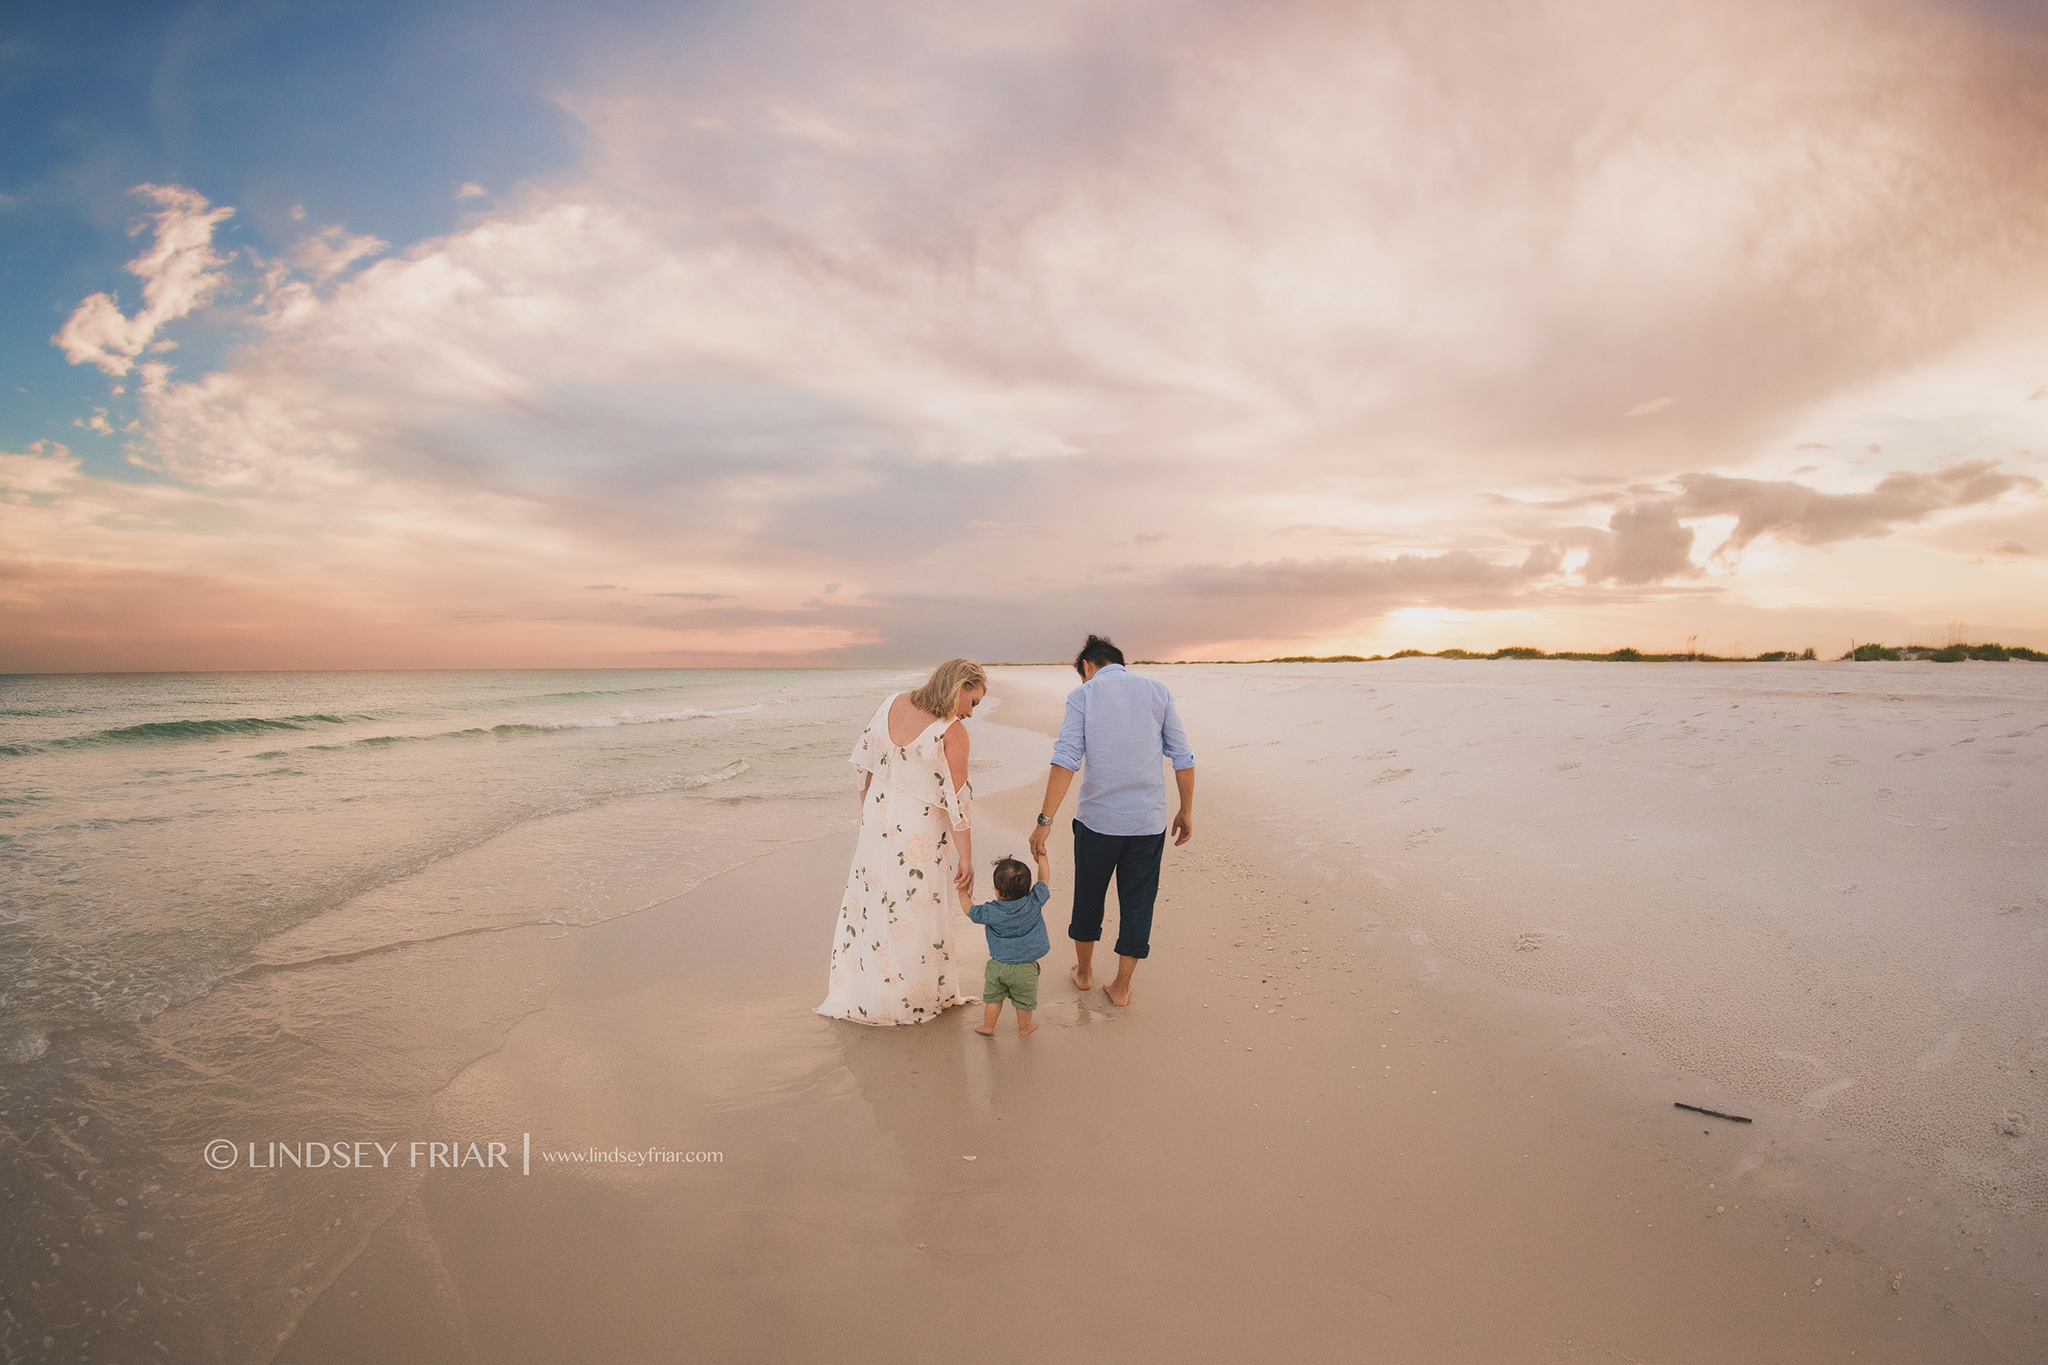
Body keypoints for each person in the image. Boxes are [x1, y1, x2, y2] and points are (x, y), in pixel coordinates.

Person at [816, 659, 986, 1026]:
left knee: (874, 903)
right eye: (973, 702)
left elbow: (865, 764)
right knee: (915, 906)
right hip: (918, 827)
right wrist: (966, 858)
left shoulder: (890, 703)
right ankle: (910, 996)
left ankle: (869, 993)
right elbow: (958, 801)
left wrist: (868, 815)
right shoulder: (951, 730)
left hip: (877, 817)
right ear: (959, 687)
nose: (971, 713)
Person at [1028, 634, 1194, 1007]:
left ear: (1087, 666)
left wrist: (1045, 820)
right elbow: (1183, 756)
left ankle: (1084, 974)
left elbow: (1066, 758)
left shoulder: (1084, 696)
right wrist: (1185, 810)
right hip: (1147, 823)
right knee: (1138, 903)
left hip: (1097, 823)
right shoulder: (1158, 691)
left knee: (1089, 897)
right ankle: (1121, 987)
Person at [967, 851, 1053, 1037]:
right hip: (1025, 968)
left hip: (997, 966)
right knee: (1024, 1001)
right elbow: (1044, 879)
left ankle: (988, 1027)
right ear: (1030, 886)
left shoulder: (991, 911)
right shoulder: (1034, 901)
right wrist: (1042, 856)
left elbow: (970, 911)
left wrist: (962, 891)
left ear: (996, 890)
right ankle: (1025, 1027)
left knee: (994, 999)